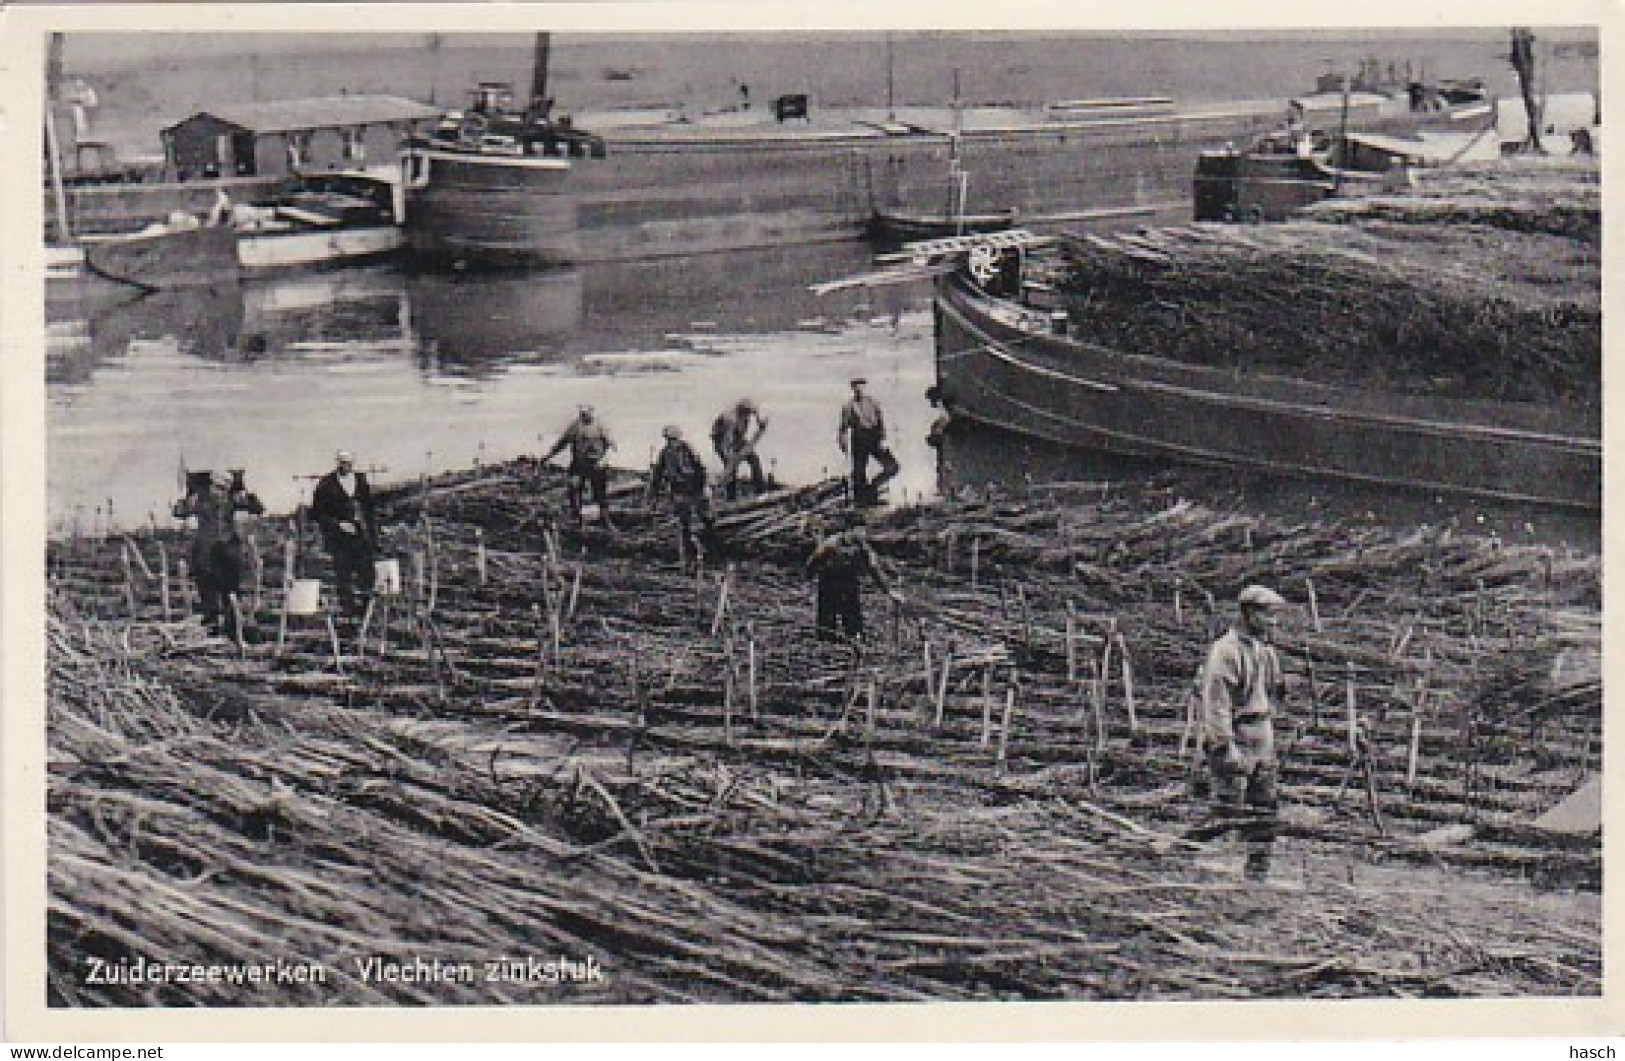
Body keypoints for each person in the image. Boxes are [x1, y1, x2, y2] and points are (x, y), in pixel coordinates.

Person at [1194, 584, 1289, 881]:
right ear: (1249, 613)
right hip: (1237, 736)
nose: (1273, 622)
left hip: (1262, 736)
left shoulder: (1264, 651)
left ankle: (1257, 874)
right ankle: (1177, 850)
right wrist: (1225, 746)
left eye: (1276, 616)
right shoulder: (1226, 652)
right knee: (1226, 812)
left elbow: (1273, 692)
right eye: (1268, 615)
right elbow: (1216, 704)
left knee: (1266, 810)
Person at [172, 468, 264, 636]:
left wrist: (247, 496)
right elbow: (178, 512)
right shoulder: (200, 499)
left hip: (227, 550)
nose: (219, 491)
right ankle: (212, 628)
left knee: (230, 590)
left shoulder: (232, 499)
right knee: (208, 590)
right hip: (206, 551)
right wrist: (187, 499)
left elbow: (258, 508)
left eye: (223, 487)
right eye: (216, 486)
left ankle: (232, 628)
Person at [805, 510, 901, 643]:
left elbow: (874, 569)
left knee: (853, 621)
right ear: (849, 530)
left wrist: (888, 591)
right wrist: (809, 585)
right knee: (826, 622)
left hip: (849, 585)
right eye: (858, 530)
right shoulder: (830, 545)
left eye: (863, 530)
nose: (862, 533)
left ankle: (855, 645)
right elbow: (812, 563)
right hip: (829, 584)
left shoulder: (864, 548)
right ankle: (825, 647)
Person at [310, 450, 378, 617]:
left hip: (361, 536)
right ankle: (348, 612)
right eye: (342, 462)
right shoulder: (326, 484)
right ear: (337, 463)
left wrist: (371, 532)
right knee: (343, 574)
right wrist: (338, 524)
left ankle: (366, 609)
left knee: (366, 571)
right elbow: (318, 513)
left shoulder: (361, 481)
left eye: (348, 463)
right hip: (339, 539)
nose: (345, 466)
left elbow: (369, 509)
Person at [649, 425, 714, 570]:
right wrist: (653, 494)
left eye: (673, 439)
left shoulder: (688, 449)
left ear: (678, 438)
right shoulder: (665, 453)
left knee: (706, 520)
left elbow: (701, 468)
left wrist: (703, 488)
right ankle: (688, 558)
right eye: (668, 439)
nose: (670, 442)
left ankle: (709, 551)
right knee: (684, 525)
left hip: (695, 489)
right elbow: (657, 474)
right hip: (679, 492)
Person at [543, 405, 616, 528]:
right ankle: (576, 518)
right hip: (578, 465)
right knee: (574, 490)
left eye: (586, 413)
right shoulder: (575, 426)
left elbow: (612, 446)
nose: (583, 416)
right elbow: (562, 443)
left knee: (600, 494)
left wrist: (603, 460)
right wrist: (548, 456)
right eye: (581, 413)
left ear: (592, 412)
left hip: (596, 465)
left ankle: (606, 520)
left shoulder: (601, 426)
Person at [837, 377, 899, 507]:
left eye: (861, 385)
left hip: (874, 437)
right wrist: (842, 443)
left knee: (892, 467)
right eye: (855, 385)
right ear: (852, 388)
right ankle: (863, 502)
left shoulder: (873, 402)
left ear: (864, 386)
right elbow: (843, 427)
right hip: (859, 438)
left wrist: (883, 439)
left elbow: (881, 422)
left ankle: (872, 489)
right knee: (859, 472)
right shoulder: (848, 406)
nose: (858, 388)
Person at [710, 397, 769, 500]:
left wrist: (760, 422)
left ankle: (760, 491)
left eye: (750, 413)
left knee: (754, 460)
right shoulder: (730, 418)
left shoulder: (749, 411)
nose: (748, 415)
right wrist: (730, 456)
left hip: (737, 438)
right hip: (721, 439)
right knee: (731, 467)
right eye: (747, 413)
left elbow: (756, 413)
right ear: (741, 409)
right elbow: (726, 441)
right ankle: (731, 496)